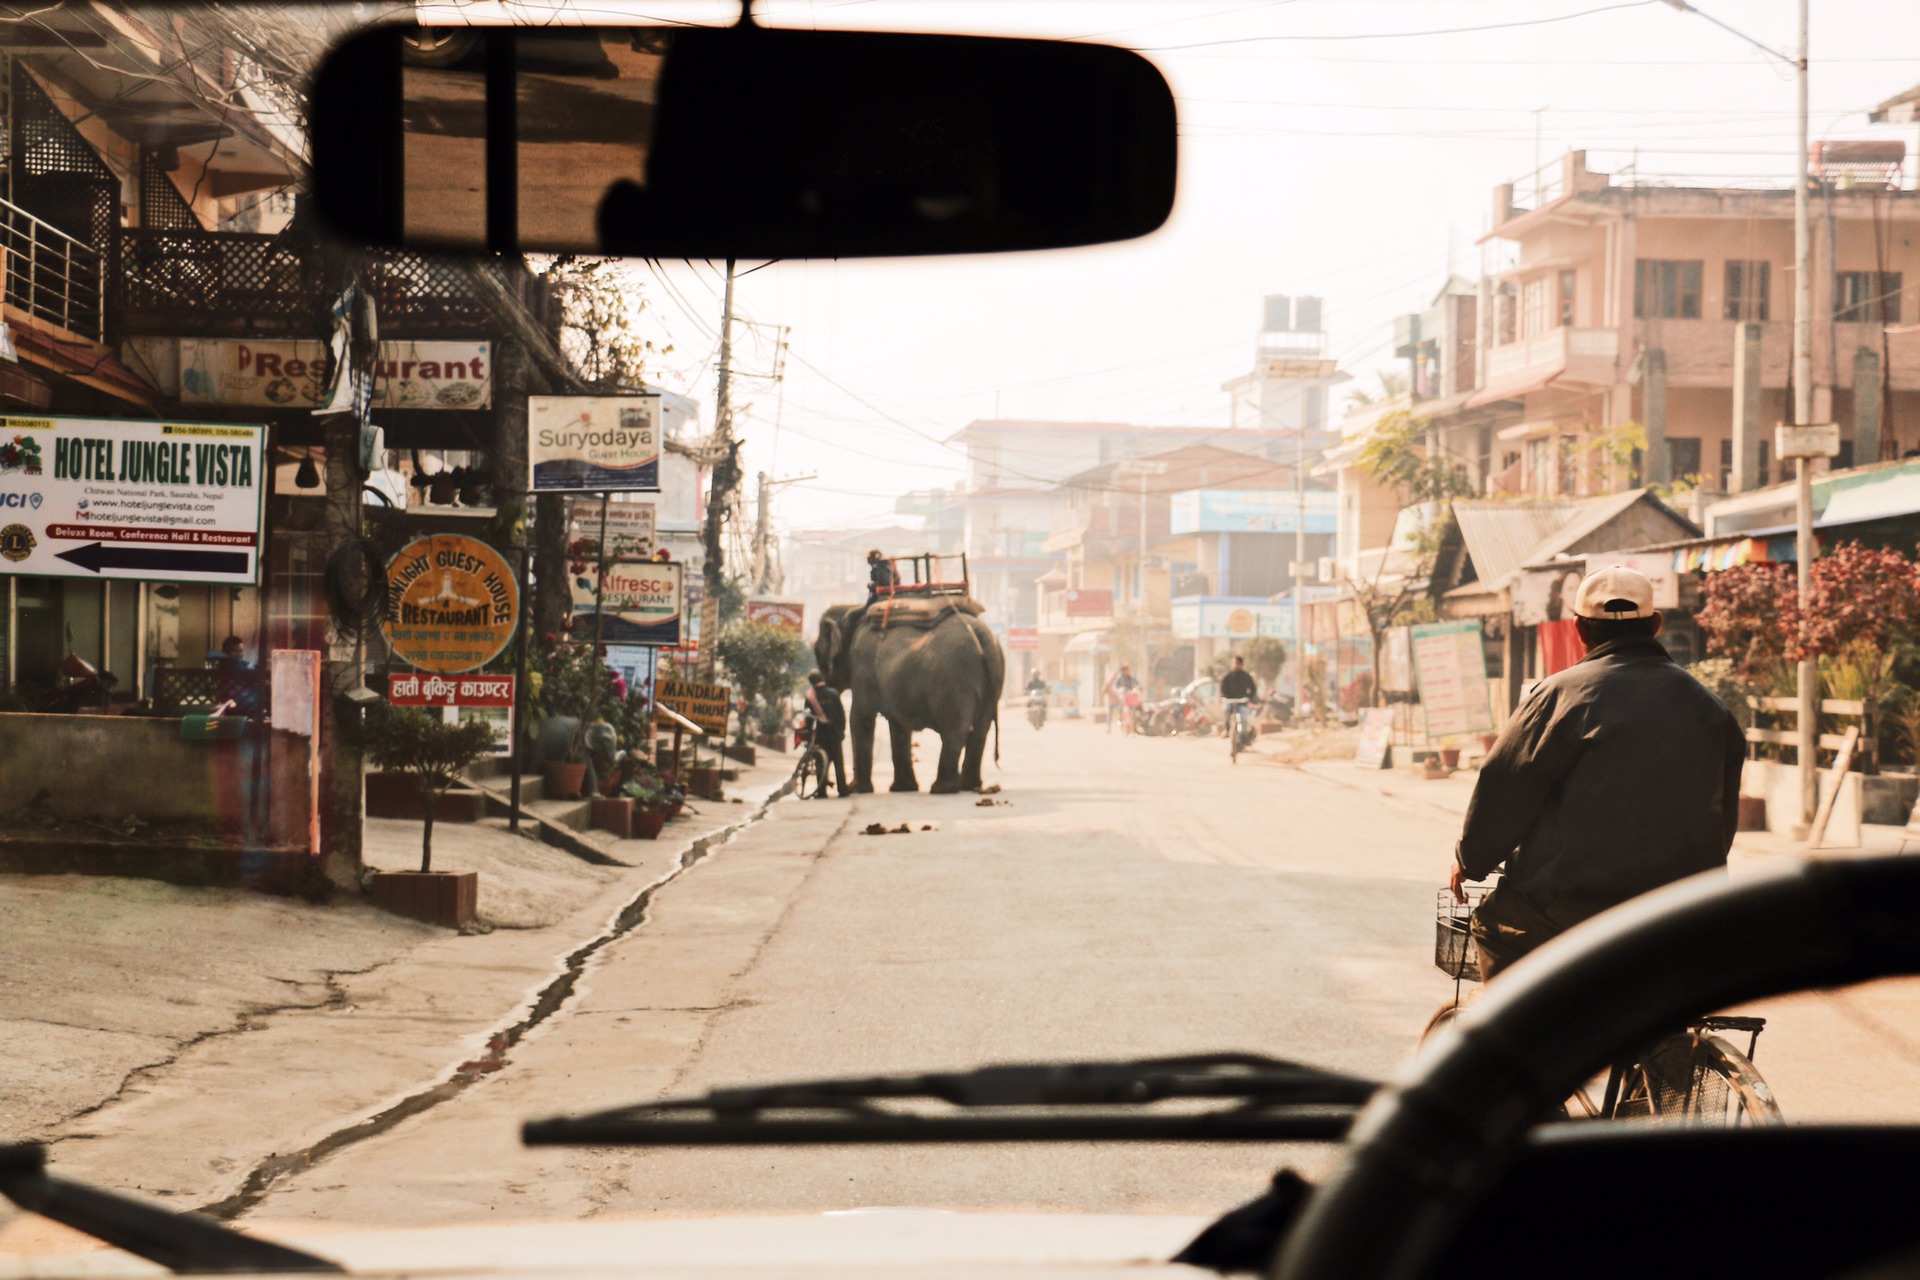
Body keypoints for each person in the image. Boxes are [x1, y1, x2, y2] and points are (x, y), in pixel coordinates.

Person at [1450, 566, 1746, 980]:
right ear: (1656, 625)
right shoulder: (1711, 708)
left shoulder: (1559, 695)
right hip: (1682, 912)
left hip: (1566, 909)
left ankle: (1515, 1043)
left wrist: (1472, 859)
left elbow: (1506, 786)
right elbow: (1723, 824)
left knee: (1494, 928)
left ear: (1579, 630)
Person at [804, 670, 849, 798]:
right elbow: (841, 715)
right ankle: (843, 790)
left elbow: (808, 719)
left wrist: (809, 735)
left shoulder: (811, 697)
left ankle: (822, 791)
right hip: (835, 735)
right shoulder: (834, 694)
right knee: (839, 764)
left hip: (820, 737)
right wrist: (841, 731)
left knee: (821, 764)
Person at [1219, 655, 1258, 742]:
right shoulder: (1228, 676)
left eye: (1238, 663)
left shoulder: (1246, 676)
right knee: (1226, 711)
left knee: (1243, 719)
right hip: (1230, 701)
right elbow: (1222, 688)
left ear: (1241, 665)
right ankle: (1227, 730)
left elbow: (1253, 688)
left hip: (1242, 702)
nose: (1235, 665)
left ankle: (1244, 739)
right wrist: (1224, 697)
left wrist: (1250, 698)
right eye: (1234, 663)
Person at [1110, 665, 1142, 735]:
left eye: (1128, 670)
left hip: (1130, 695)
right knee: (1122, 706)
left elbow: (1138, 683)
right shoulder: (1120, 678)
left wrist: (1138, 688)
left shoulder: (1131, 678)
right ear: (1123, 671)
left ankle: (1134, 724)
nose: (1127, 672)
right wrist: (1118, 690)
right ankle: (1120, 718)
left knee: (1134, 709)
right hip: (1123, 695)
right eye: (1126, 670)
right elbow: (1115, 686)